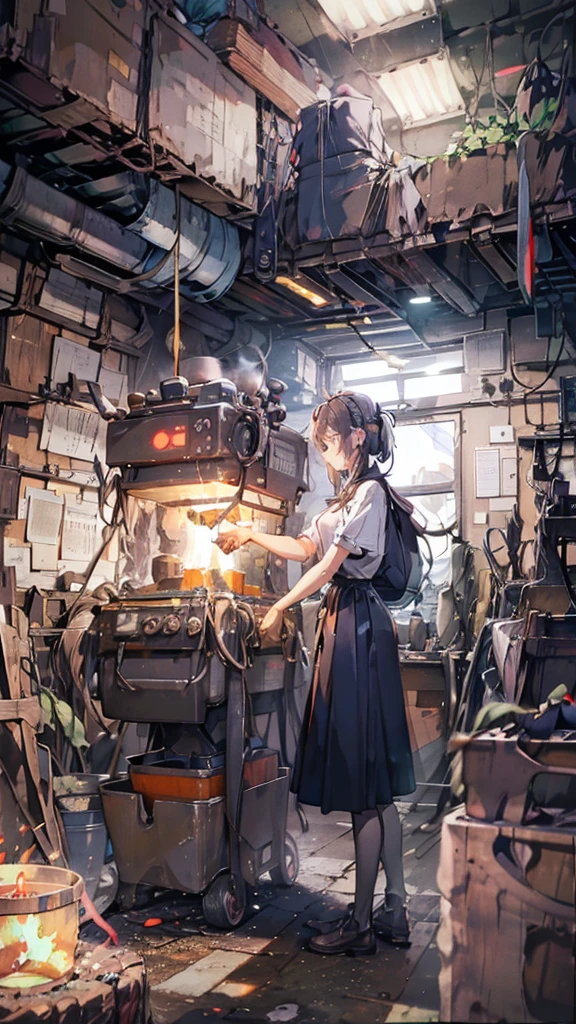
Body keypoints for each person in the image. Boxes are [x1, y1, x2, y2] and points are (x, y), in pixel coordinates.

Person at [216, 392, 415, 956]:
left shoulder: (371, 493)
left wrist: (281, 606)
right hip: (345, 625)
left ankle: (358, 924)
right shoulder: (345, 499)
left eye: (329, 444)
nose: (325, 455)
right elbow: (307, 547)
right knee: (375, 789)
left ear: (357, 438)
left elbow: (330, 567)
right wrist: (250, 534)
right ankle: (393, 909)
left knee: (364, 786)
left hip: (357, 629)